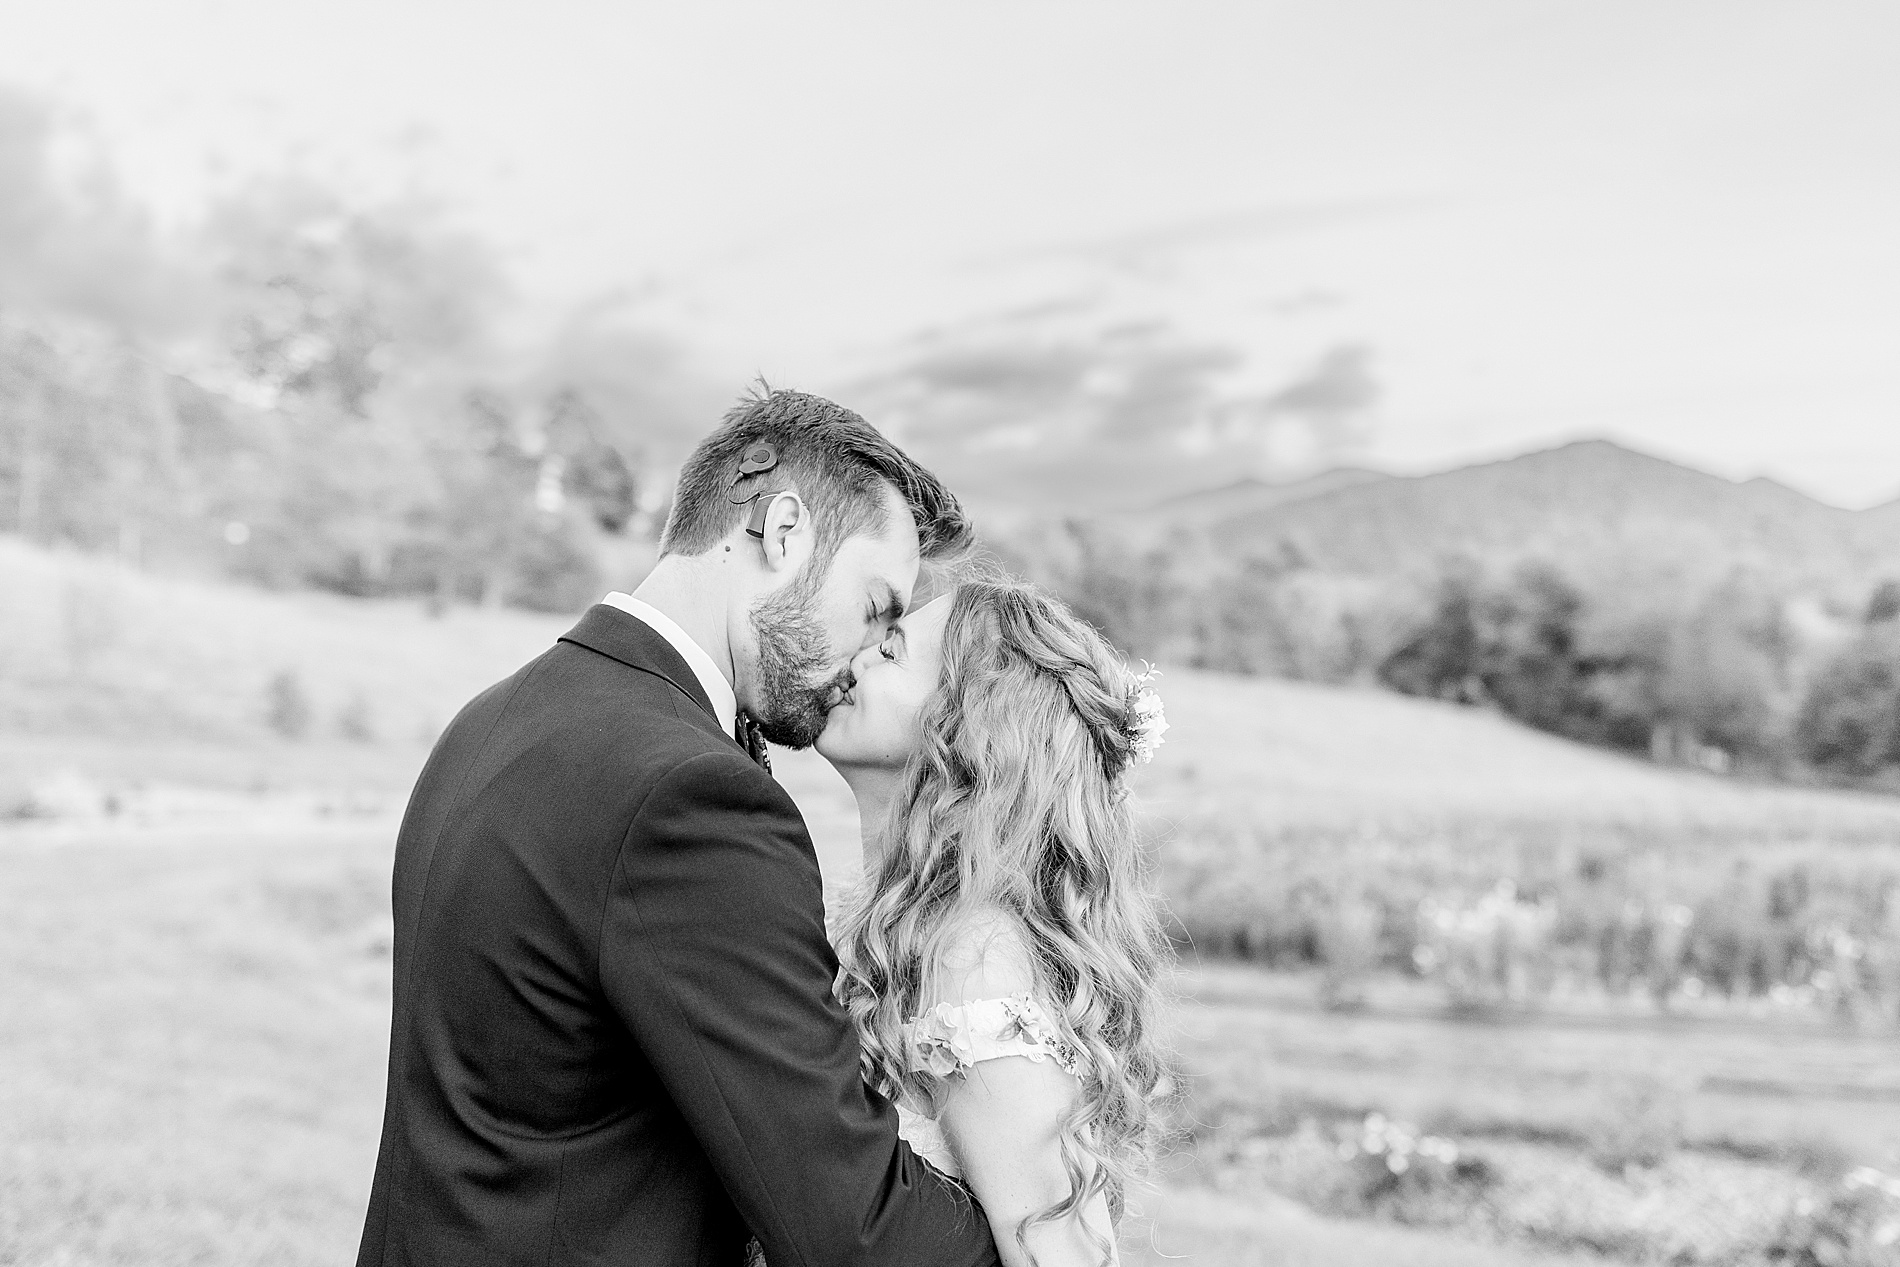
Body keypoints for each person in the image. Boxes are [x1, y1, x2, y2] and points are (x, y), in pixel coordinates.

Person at [357, 388, 1002, 1266]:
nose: (867, 652)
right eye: (876, 606)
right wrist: (1039, 1228)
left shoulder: (492, 718)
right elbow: (850, 1230)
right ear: (785, 534)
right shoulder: (690, 797)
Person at [814, 573, 1175, 1267]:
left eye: (890, 652)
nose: (853, 656)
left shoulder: (971, 957)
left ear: (970, 727)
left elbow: (1064, 1256)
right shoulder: (896, 925)